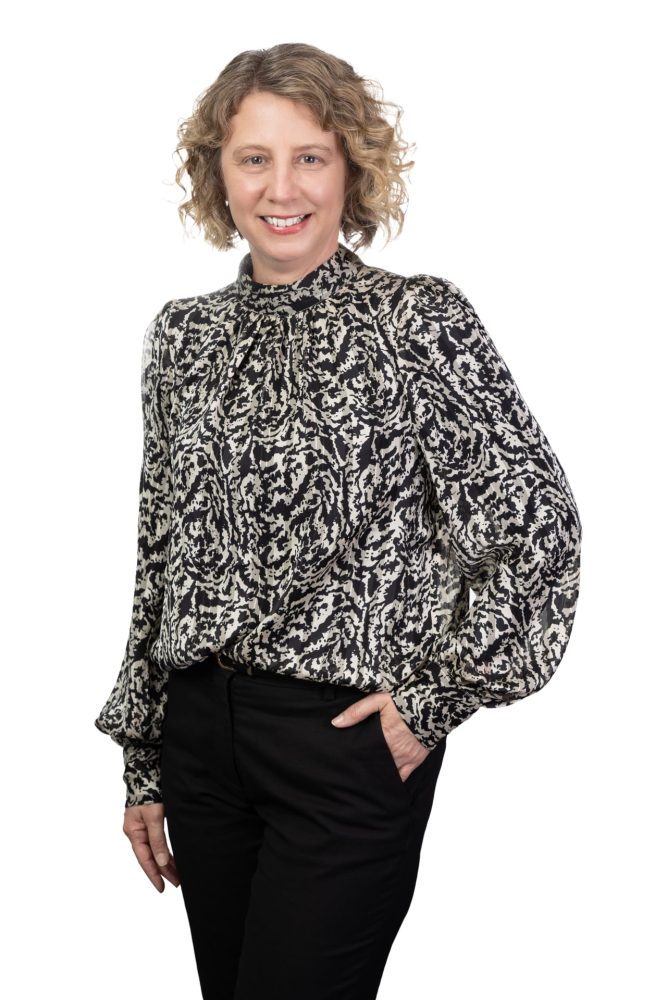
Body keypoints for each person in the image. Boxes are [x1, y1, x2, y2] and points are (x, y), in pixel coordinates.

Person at [94, 42, 582, 1000]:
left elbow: (538, 527)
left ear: (351, 168)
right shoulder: (183, 336)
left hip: (342, 739)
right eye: (254, 158)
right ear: (218, 173)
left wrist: (431, 703)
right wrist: (143, 758)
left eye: (309, 157)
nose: (281, 188)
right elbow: (162, 554)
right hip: (200, 740)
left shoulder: (417, 321)